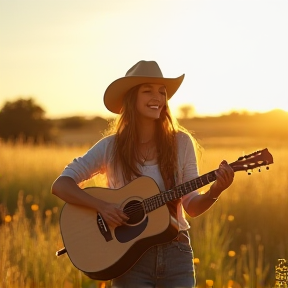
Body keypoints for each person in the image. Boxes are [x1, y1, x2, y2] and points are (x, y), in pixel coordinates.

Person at [51, 60, 234, 288]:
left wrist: (215, 191)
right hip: (128, 259)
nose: (157, 97)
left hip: (176, 253)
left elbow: (191, 207)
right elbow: (61, 185)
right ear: (131, 98)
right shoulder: (110, 147)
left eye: (162, 92)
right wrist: (102, 207)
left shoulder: (181, 143)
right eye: (148, 91)